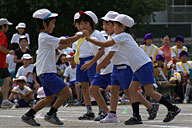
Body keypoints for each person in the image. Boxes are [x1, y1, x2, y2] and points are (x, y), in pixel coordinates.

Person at [85, 14, 181, 125]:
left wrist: (88, 39)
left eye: (115, 25)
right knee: (131, 90)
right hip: (137, 67)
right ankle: (136, 116)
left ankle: (172, 108)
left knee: (149, 91)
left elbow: (105, 44)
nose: (113, 27)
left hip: (143, 64)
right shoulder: (119, 37)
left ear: (123, 27)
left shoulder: (123, 36)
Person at [21, 8, 87, 126]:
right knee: (67, 92)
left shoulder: (46, 38)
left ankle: (28, 115)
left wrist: (72, 40)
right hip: (47, 73)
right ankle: (51, 114)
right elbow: (64, 42)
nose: (54, 26)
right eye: (52, 23)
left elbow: (61, 45)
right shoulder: (44, 37)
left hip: (45, 73)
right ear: (44, 23)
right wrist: (79, 35)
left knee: (49, 98)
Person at [72, 11, 106, 120]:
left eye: (85, 23)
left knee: (94, 86)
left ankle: (102, 110)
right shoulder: (79, 36)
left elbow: (102, 49)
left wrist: (93, 62)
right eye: (80, 23)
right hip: (81, 61)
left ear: (92, 23)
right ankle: (89, 111)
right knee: (84, 87)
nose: (82, 26)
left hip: (92, 60)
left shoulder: (96, 34)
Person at [0, 18, 15, 108]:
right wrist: (9, 52)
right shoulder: (2, 35)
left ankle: (5, 100)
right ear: (3, 26)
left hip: (2, 63)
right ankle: (5, 100)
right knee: (7, 78)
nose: (8, 27)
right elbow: (1, 47)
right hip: (0, 63)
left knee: (7, 78)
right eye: (7, 26)